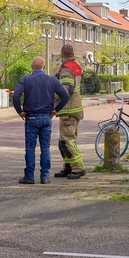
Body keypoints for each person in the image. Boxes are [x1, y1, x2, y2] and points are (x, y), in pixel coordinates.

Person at [12, 56, 69, 184]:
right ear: (44, 67)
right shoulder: (52, 80)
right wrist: (56, 110)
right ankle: (45, 176)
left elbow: (15, 96)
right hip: (46, 117)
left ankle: (29, 176)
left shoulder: (25, 80)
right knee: (45, 148)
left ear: (32, 67)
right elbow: (65, 96)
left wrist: (19, 111)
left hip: (31, 117)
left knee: (30, 148)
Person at [53, 44, 86, 179]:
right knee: (64, 141)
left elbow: (65, 91)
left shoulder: (66, 69)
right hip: (74, 108)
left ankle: (78, 168)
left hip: (68, 110)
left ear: (62, 55)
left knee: (67, 141)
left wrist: (52, 94)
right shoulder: (76, 65)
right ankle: (68, 167)